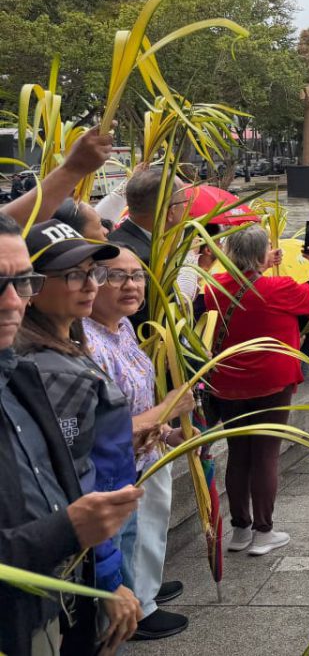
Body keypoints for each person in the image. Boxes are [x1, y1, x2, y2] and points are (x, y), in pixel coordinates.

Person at [0, 213, 144, 656]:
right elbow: (76, 477)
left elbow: (57, 468)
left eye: (93, 272)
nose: (90, 285)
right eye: (72, 275)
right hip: (74, 560)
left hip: (80, 554)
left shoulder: (30, 366)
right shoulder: (44, 369)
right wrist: (106, 577)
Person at [83, 246, 194, 641]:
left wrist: (169, 433)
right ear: (93, 281)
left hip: (140, 460)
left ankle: (141, 598)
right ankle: (129, 618)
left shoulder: (123, 327)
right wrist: (168, 409)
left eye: (137, 275)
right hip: (111, 472)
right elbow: (103, 429)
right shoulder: (86, 343)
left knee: (140, 538)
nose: (130, 285)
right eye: (117, 275)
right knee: (121, 546)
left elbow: (138, 404)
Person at [203, 224, 309, 556]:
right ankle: (263, 531)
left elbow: (245, 285)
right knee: (265, 454)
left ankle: (240, 529)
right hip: (271, 382)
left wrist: (260, 264)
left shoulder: (215, 287)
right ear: (261, 255)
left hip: (229, 382)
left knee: (238, 453)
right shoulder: (279, 287)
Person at [107, 166, 189, 331]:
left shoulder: (113, 240)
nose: (187, 209)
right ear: (171, 212)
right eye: (184, 203)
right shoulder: (147, 261)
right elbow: (156, 331)